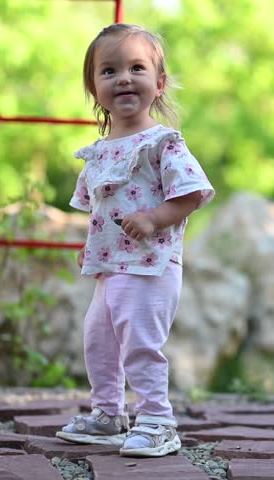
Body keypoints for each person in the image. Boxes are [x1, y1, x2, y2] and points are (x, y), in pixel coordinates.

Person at [55, 23, 214, 458]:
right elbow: (98, 210)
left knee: (141, 343)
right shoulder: (98, 151)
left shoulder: (162, 143)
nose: (123, 78)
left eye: (136, 68)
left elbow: (192, 193)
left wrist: (154, 218)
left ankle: (158, 419)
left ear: (158, 83)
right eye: (109, 71)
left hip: (151, 267)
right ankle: (108, 415)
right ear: (94, 87)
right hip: (110, 271)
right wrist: (90, 245)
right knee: (98, 342)